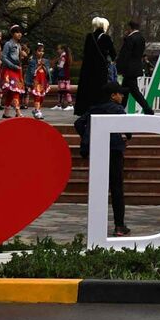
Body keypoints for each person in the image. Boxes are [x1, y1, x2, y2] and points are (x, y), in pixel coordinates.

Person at [74, 81, 134, 237]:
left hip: (97, 152)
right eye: (120, 93)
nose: (122, 96)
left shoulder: (95, 108)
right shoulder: (118, 109)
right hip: (114, 152)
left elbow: (78, 123)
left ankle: (96, 225)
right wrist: (126, 137)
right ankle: (119, 226)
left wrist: (89, 137)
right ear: (113, 96)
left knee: (98, 188)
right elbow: (127, 129)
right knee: (116, 188)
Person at [74, 17, 118, 117]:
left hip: (88, 68)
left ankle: (85, 109)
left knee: (87, 88)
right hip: (100, 69)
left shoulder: (89, 37)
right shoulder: (106, 38)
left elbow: (85, 52)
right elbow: (113, 54)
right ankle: (98, 109)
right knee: (99, 89)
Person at [115, 20, 154, 116]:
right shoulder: (141, 38)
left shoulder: (130, 38)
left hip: (128, 69)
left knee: (133, 91)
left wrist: (119, 67)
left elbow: (125, 55)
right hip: (135, 68)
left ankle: (147, 109)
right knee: (126, 89)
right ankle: (120, 109)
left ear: (130, 28)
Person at [0, 25, 27, 119]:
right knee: (15, 91)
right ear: (12, 33)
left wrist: (22, 56)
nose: (19, 34)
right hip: (10, 70)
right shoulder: (8, 44)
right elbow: (3, 57)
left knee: (12, 91)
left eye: (20, 32)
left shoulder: (19, 45)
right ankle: (18, 111)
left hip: (17, 70)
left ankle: (6, 113)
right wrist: (13, 65)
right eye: (17, 32)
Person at [26, 43, 50, 119]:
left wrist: (44, 66)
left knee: (42, 97)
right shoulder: (32, 61)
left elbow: (48, 72)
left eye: (42, 51)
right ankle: (37, 111)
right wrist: (39, 65)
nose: (41, 53)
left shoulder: (46, 61)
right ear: (36, 52)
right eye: (39, 51)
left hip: (43, 80)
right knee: (37, 96)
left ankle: (38, 110)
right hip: (36, 81)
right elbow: (32, 72)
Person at [51, 43, 73, 109]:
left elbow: (60, 66)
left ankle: (70, 104)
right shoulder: (65, 56)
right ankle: (59, 104)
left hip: (63, 76)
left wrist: (53, 68)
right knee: (60, 90)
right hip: (64, 75)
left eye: (59, 49)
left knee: (65, 90)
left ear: (62, 50)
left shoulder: (63, 57)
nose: (57, 50)